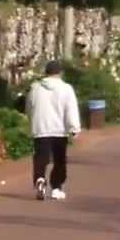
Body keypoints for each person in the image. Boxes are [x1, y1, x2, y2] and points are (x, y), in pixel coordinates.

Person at [26, 60, 81, 201]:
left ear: (46, 73)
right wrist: (74, 127)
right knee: (59, 160)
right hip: (59, 130)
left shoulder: (35, 88)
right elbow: (71, 109)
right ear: (60, 73)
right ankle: (56, 188)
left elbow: (29, 107)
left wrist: (31, 123)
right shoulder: (66, 88)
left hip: (40, 128)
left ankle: (39, 179)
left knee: (41, 157)